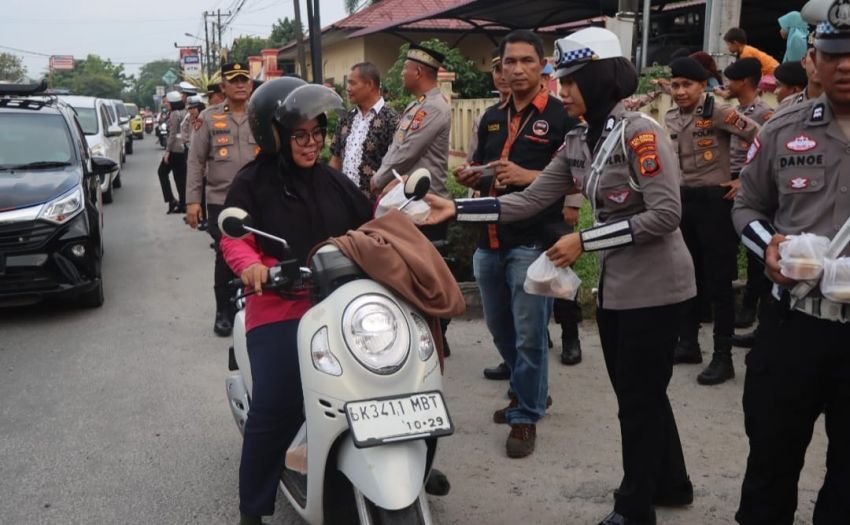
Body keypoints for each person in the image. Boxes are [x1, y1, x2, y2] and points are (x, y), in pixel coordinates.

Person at [425, 27, 696, 525]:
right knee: (642, 393)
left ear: (597, 80)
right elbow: (527, 200)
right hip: (618, 288)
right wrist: (456, 209)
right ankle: (672, 483)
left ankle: (634, 508)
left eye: (571, 81)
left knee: (636, 401)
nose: (562, 90)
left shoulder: (639, 132)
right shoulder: (579, 139)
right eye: (562, 79)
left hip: (657, 291)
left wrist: (585, 241)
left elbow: (665, 215)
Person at [220, 78, 373, 525]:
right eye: (300, 135)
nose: (312, 143)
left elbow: (371, 220)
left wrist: (406, 217)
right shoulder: (253, 182)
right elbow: (236, 239)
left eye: (317, 133)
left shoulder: (333, 180)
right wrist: (252, 265)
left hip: (341, 301)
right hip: (281, 303)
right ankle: (253, 508)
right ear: (276, 136)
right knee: (278, 401)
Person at [732, 2, 850, 523]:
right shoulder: (783, 129)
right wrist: (768, 249)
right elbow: (748, 206)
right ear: (815, 61)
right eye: (835, 54)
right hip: (793, 325)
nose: (846, 65)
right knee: (771, 459)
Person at [452, 30, 578, 458]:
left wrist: (530, 179)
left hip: (533, 242)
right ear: (501, 67)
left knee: (529, 334)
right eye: (511, 62)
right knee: (499, 328)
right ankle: (533, 392)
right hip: (488, 239)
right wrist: (474, 175)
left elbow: (580, 175)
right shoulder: (490, 116)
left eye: (528, 61)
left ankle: (525, 415)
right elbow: (485, 168)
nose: (519, 69)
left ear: (542, 66)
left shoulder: (562, 118)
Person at [664, 56, 759, 385]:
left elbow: (760, 138)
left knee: (719, 282)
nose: (679, 91)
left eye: (686, 85)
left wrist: (743, 179)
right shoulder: (672, 116)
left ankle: (723, 356)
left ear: (702, 85)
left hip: (715, 203)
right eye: (675, 85)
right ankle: (688, 344)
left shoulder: (718, 110)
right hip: (684, 201)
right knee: (687, 276)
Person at [186, 62, 257, 337]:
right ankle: (224, 311)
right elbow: (195, 161)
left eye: (244, 79)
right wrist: (193, 201)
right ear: (223, 86)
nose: (240, 84)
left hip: (256, 198)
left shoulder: (262, 114)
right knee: (225, 254)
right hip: (221, 200)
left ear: (250, 84)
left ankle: (254, 306)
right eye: (233, 80)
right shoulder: (208, 117)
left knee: (259, 252)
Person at [717, 58, 775, 335]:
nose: (726, 85)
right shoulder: (734, 111)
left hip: (749, 184)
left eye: (730, 80)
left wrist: (743, 180)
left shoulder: (764, 115)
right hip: (728, 181)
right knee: (727, 248)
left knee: (755, 251)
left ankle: (752, 305)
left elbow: (764, 152)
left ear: (743, 82)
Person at [370, 44, 452, 201]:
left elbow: (408, 152)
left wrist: (379, 179)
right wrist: (381, 174)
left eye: (405, 68)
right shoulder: (415, 105)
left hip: (428, 202)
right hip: (409, 199)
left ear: (418, 72)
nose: (402, 73)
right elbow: (396, 146)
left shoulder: (434, 108)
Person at [329, 62, 400, 196]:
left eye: (352, 83)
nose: (348, 88)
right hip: (344, 201)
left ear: (369, 85)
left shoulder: (392, 120)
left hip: (374, 206)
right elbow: (336, 159)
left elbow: (398, 165)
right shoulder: (346, 118)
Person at [163, 90, 188, 213]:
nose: (165, 104)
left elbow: (172, 135)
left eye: (167, 102)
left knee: (163, 172)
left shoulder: (174, 114)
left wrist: (167, 151)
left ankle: (174, 201)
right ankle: (182, 203)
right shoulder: (185, 111)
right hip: (183, 149)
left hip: (175, 150)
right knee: (181, 177)